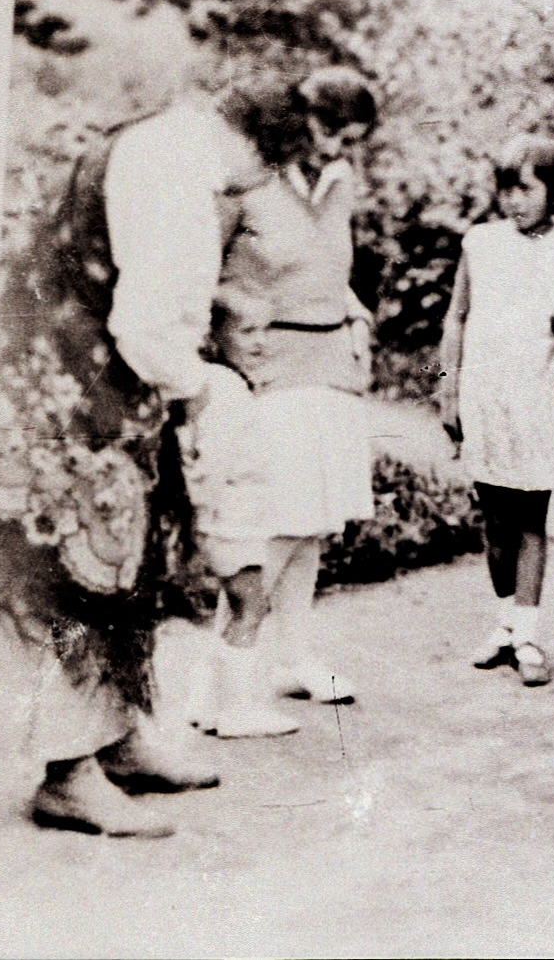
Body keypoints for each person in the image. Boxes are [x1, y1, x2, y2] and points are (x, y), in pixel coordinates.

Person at [0, 79, 275, 835]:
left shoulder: (163, 137)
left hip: (81, 385)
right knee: (77, 572)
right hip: (71, 398)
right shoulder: (182, 168)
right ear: (259, 149)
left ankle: (116, 739)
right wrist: (198, 385)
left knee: (117, 565)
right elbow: (147, 325)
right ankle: (68, 773)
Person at [212, 67, 379, 728]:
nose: (337, 147)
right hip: (267, 369)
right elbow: (204, 266)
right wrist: (228, 324)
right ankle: (223, 686)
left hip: (330, 366)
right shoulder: (246, 179)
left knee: (312, 522)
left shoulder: (339, 181)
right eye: (329, 129)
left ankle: (294, 658)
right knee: (272, 526)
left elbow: (330, 265)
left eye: (351, 139)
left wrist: (357, 315)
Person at [438, 136, 554, 687]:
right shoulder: (480, 240)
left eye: (526, 188)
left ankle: (528, 634)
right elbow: (456, 318)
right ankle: (505, 623)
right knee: (493, 516)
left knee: (530, 516)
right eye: (506, 189)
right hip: (484, 393)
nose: (514, 201)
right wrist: (443, 388)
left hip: (542, 393)